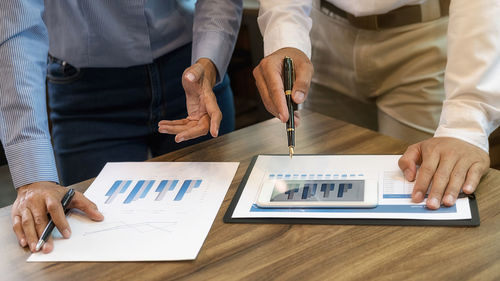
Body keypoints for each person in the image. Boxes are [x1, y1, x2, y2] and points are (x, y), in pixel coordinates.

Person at [0, 0, 242, 253]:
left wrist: (209, 63)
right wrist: (34, 176)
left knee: (218, 237)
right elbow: (16, 28)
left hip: (192, 70)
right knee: (98, 242)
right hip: (86, 90)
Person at [253, 0, 499, 209]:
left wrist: (466, 122)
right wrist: (285, 39)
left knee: (422, 189)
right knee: (324, 191)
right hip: (322, 35)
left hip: (420, 38)